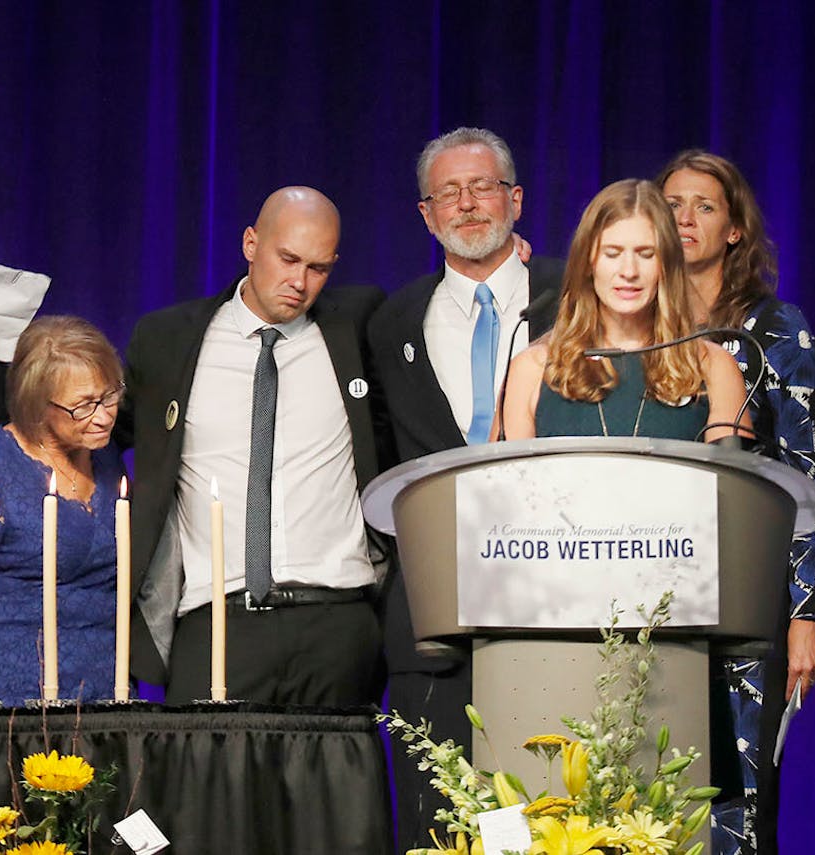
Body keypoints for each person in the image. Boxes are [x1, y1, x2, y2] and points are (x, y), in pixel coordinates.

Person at [0, 186, 393, 707]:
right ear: (251, 243)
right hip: (216, 616)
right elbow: (91, 415)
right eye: (288, 258)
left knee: (337, 787)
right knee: (206, 785)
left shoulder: (359, 324)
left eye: (319, 268)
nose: (299, 282)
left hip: (337, 620)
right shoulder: (169, 340)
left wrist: (509, 266)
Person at [366, 126, 562, 849]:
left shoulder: (575, 294)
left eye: (482, 186)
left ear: (514, 198)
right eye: (447, 191)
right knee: (438, 810)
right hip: (431, 613)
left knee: (543, 809)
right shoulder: (390, 321)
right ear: (425, 214)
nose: (467, 203)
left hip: (552, 600)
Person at [659, 150, 815, 855]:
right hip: (648, 592)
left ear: (734, 228)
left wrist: (805, 615)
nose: (686, 219)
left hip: (744, 594)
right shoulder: (638, 323)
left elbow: (807, 477)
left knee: (737, 810)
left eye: (704, 205)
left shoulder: (776, 329)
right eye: (672, 204)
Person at [0, 315, 127, 705]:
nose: (104, 416)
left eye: (109, 396)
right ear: (37, 407)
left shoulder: (106, 461)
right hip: (13, 698)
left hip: (104, 693)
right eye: (83, 406)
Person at [498, 178, 748, 442]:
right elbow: (496, 481)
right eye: (612, 254)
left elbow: (732, 482)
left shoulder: (713, 366)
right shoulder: (532, 368)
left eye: (645, 254)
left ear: (667, 264)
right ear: (588, 263)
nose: (629, 271)